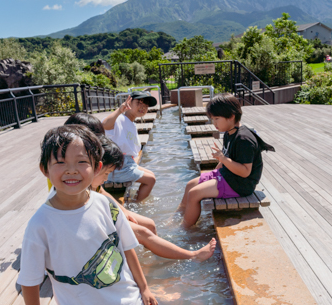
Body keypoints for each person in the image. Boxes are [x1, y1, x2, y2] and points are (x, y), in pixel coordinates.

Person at [19, 125, 159, 305]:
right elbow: (30, 279)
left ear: (97, 167)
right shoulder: (40, 224)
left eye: (81, 162)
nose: (71, 171)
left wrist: (143, 287)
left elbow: (126, 246)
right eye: (60, 163)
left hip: (124, 300)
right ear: (45, 169)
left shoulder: (105, 205)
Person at [95, 137, 216, 261]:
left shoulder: (95, 182)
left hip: (107, 209)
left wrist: (123, 210)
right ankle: (193, 256)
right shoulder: (85, 186)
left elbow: (104, 193)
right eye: (106, 173)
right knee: (143, 233)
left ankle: (157, 255)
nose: (106, 179)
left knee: (150, 224)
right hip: (98, 217)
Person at [178, 94, 274, 228]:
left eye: (217, 118)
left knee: (194, 194)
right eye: (212, 119)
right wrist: (212, 174)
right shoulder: (229, 132)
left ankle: (185, 228)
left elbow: (245, 172)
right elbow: (225, 160)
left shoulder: (244, 139)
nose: (214, 123)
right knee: (190, 185)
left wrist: (223, 159)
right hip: (228, 176)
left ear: (231, 116)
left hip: (241, 184)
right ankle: (177, 216)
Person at [102, 92, 156, 202]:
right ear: (129, 102)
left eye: (146, 105)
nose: (143, 107)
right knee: (151, 180)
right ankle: (137, 204)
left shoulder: (131, 123)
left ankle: (136, 200)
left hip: (126, 164)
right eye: (139, 103)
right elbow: (105, 125)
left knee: (151, 174)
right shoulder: (119, 119)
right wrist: (119, 110)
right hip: (117, 166)